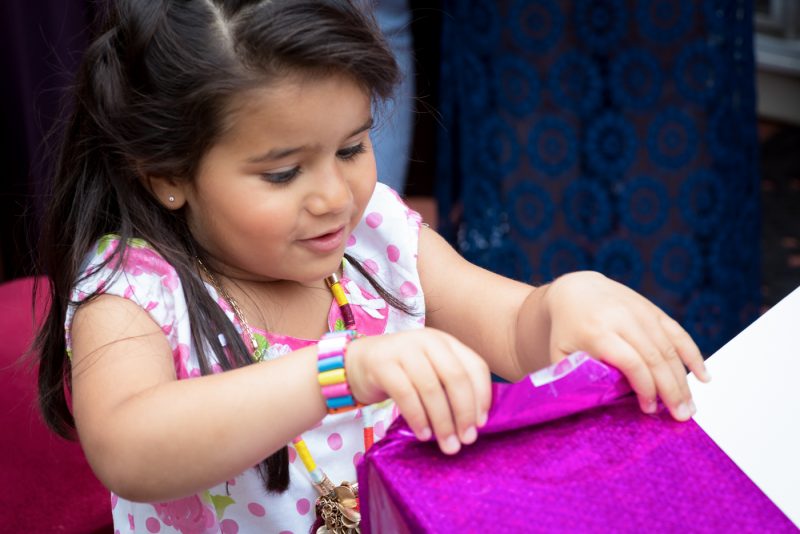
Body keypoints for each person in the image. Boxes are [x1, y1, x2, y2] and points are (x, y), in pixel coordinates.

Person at [34, 1, 710, 532]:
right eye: (284, 173)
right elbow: (129, 447)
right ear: (167, 174)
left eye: (352, 148)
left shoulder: (374, 233)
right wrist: (340, 371)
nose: (334, 196)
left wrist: (565, 302)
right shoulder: (133, 288)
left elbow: (512, 326)